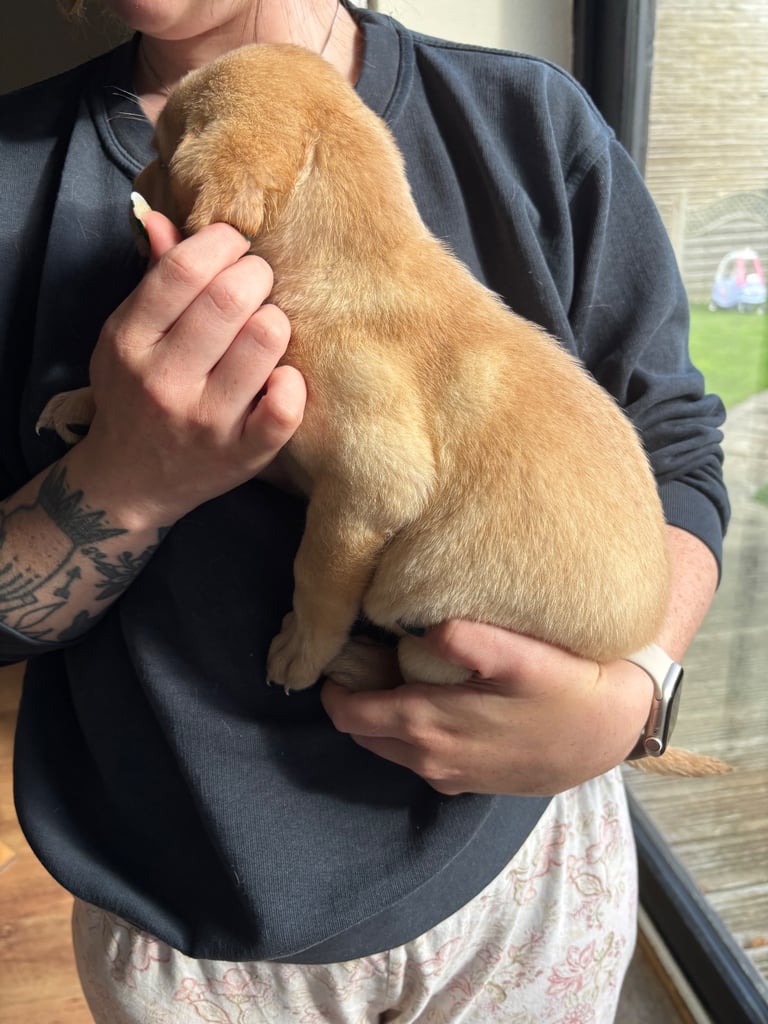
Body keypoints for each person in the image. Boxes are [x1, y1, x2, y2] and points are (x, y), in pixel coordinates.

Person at [0, 1, 728, 1021]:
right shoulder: (12, 180)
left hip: (524, 876)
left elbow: (678, 444)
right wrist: (127, 475)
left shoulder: (534, 120)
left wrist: (635, 692)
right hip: (185, 924)